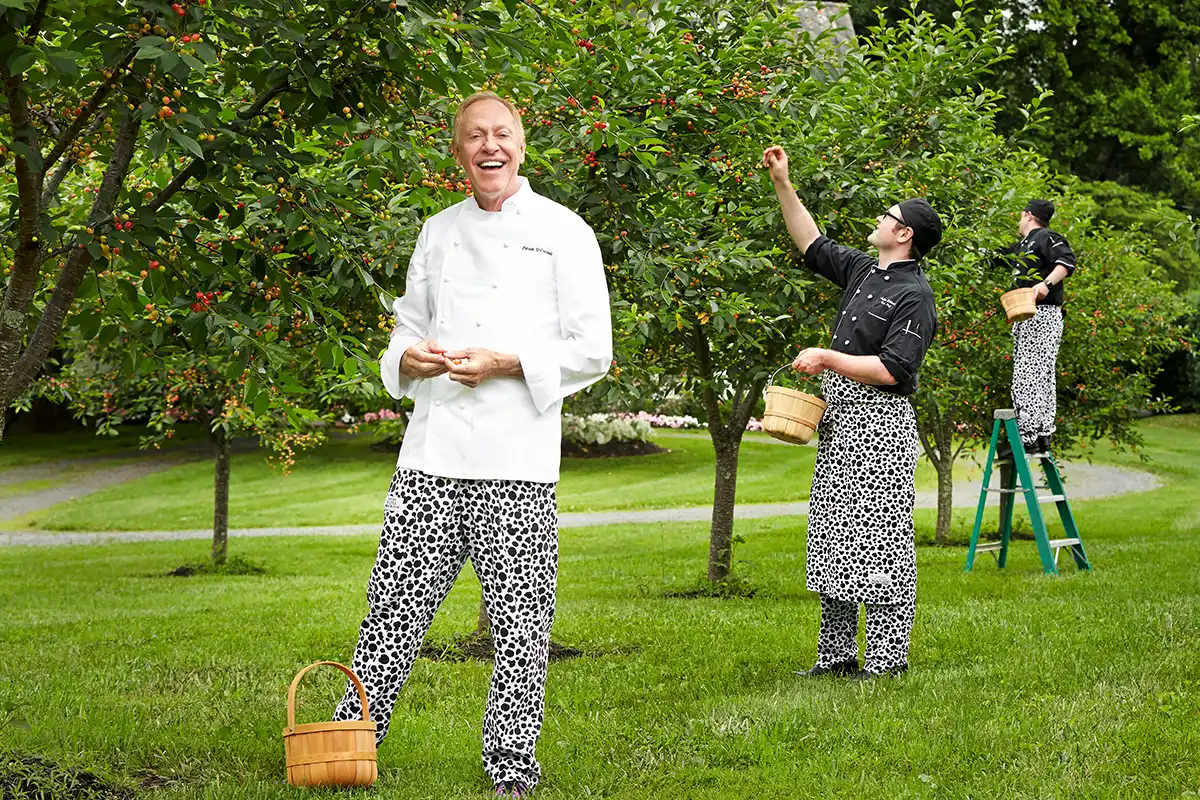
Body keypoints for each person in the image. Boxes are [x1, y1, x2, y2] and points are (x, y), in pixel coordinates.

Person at [333, 91, 613, 798]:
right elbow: (405, 324)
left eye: (502, 135)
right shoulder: (437, 231)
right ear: (457, 151)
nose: (490, 146)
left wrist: (505, 361)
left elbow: (594, 350)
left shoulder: (566, 231)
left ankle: (511, 770)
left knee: (521, 631)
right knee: (389, 616)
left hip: (517, 463)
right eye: (474, 137)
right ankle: (344, 747)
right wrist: (409, 359)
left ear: (522, 144)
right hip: (431, 454)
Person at [762, 144, 941, 680]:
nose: (878, 219)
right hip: (841, 422)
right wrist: (782, 183)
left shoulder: (916, 296)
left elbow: (893, 369)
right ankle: (836, 658)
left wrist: (827, 357)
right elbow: (810, 240)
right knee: (837, 541)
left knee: (880, 544)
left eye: (888, 216)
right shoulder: (865, 271)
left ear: (904, 233)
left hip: (880, 428)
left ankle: (887, 662)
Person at [997, 199, 1076, 454]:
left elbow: (1066, 261)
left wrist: (1046, 284)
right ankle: (1042, 433)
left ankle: (1024, 435)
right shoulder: (1022, 246)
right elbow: (997, 258)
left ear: (1028, 215)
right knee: (1041, 374)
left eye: (1020, 217)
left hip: (1042, 314)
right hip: (1028, 316)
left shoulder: (1045, 237)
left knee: (1028, 374)